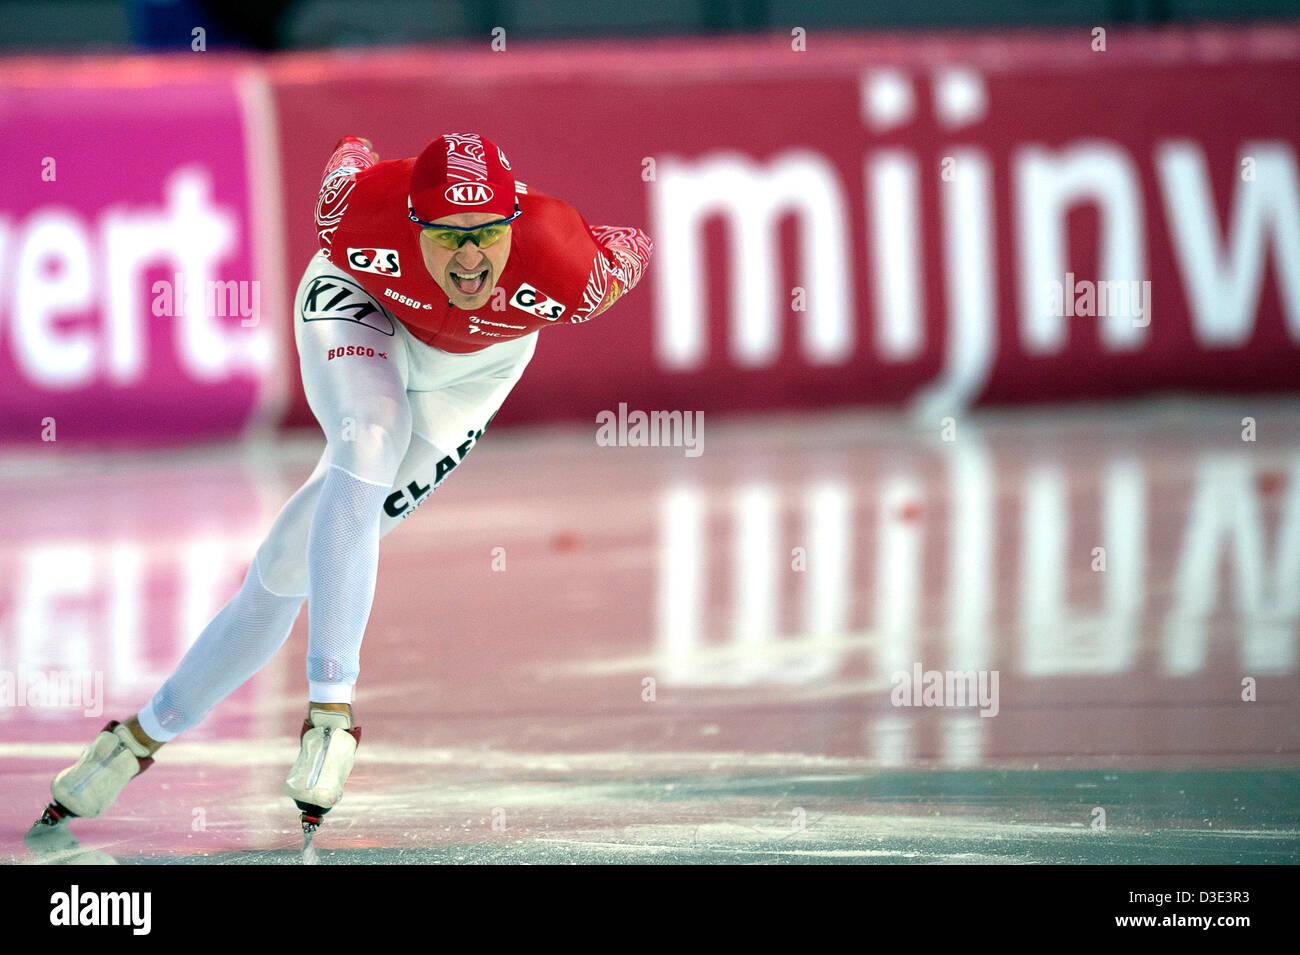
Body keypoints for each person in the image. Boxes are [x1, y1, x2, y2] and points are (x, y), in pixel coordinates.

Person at [32, 132, 653, 838]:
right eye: (447, 238)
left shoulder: (573, 270)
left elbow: (635, 243)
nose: (471, 258)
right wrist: (358, 150)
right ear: (411, 222)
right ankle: (332, 714)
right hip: (360, 305)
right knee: (368, 433)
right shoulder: (355, 212)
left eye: (486, 235)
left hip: (472, 376)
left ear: (514, 223)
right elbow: (348, 152)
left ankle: (135, 740)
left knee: (290, 562)